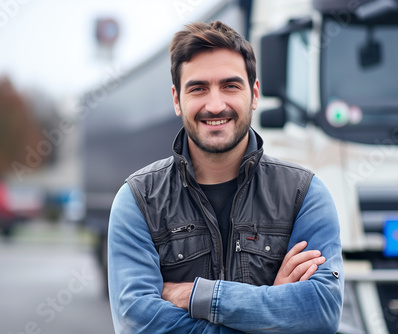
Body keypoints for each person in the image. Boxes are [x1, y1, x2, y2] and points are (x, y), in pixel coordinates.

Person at [108, 21, 344, 333]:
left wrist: (197, 296)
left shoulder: (304, 194)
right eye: (198, 88)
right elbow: (137, 322)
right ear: (177, 100)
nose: (215, 105)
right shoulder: (138, 199)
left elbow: (321, 312)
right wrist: (274, 307)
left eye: (230, 86)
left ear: (254, 94)